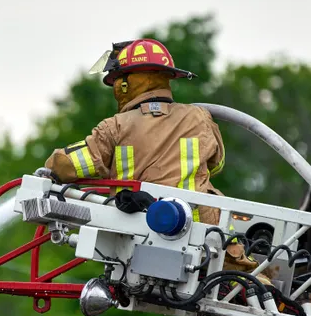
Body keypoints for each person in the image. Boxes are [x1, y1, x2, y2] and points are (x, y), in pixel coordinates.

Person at [37, 38, 256, 272]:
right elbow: (217, 164)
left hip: (137, 234)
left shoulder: (116, 127)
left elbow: (69, 164)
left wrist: (49, 169)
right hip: (207, 235)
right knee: (252, 283)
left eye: (116, 80)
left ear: (125, 84)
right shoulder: (199, 117)